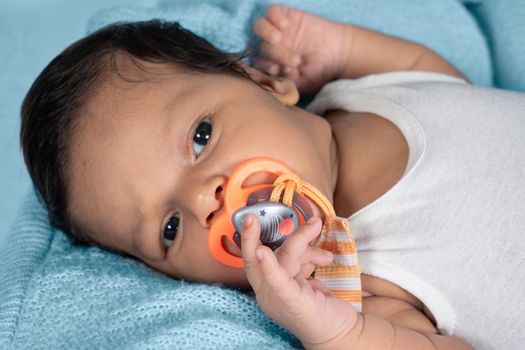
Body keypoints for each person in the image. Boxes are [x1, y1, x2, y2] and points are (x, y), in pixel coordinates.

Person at [20, 3, 525, 349]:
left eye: (201, 136)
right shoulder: (343, 280)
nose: (203, 201)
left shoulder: (364, 92)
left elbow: (434, 76)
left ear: (265, 82)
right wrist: (336, 333)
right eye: (169, 228)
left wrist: (340, 48)